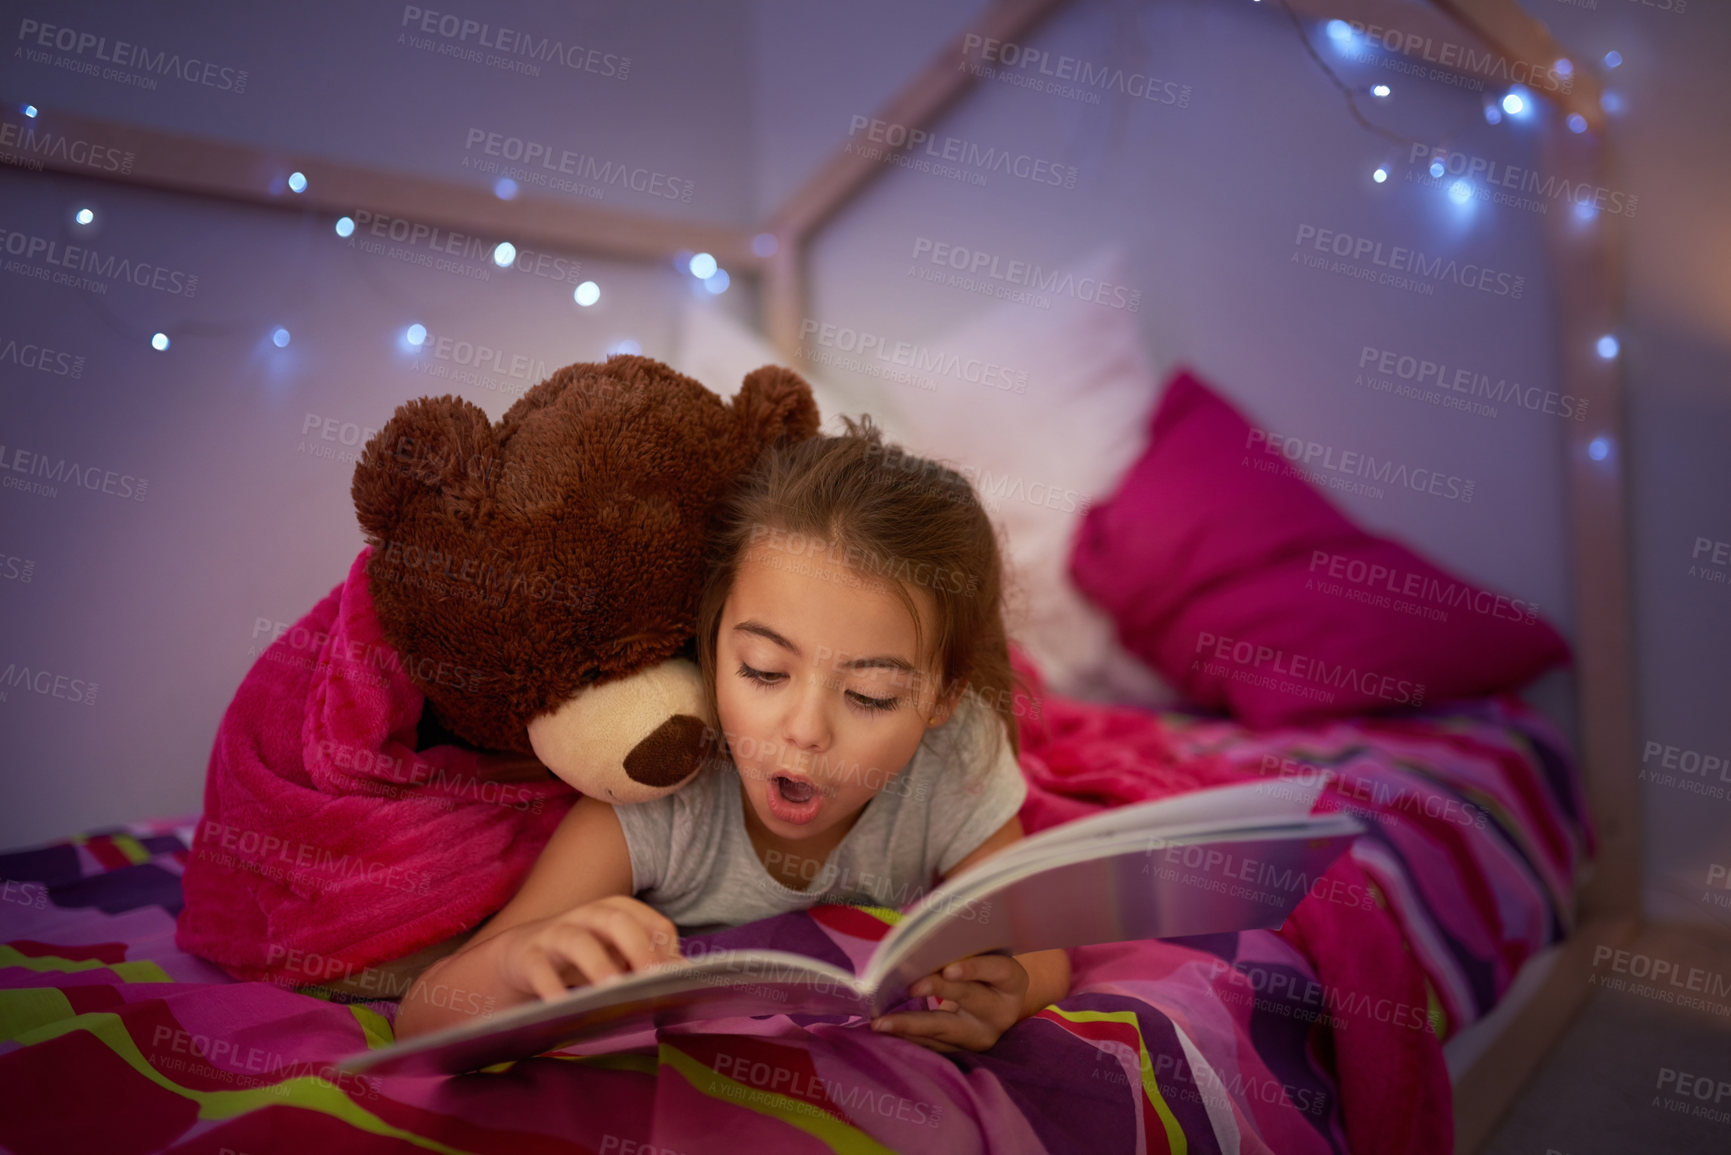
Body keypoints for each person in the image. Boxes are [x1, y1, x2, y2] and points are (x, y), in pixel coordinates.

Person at [395, 414, 1070, 1051]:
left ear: (943, 697)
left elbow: (1042, 947)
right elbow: (425, 1015)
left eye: (871, 695)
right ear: (714, 643)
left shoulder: (954, 758)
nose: (804, 730)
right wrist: (518, 962)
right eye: (764, 671)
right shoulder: (662, 794)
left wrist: (1008, 993)